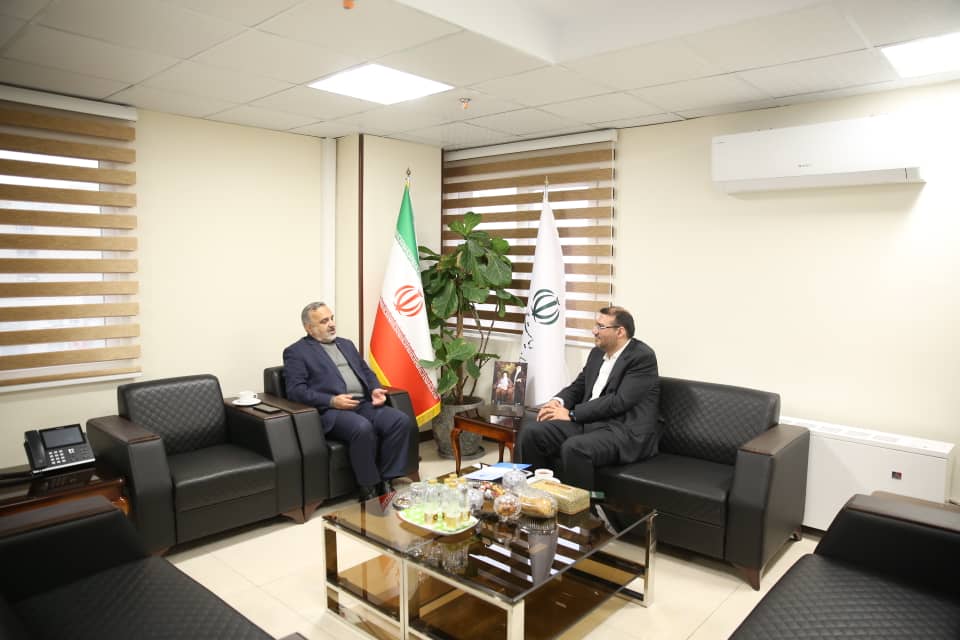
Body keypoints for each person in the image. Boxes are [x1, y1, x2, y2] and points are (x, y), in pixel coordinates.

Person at [516, 306, 659, 491]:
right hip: (590, 422)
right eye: (595, 325)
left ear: (620, 332)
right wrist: (558, 401)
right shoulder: (597, 353)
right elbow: (580, 385)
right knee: (531, 433)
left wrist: (572, 414)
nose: (594, 331)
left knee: (574, 448)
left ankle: (580, 508)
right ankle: (536, 496)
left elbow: (619, 401)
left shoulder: (642, 357)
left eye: (600, 326)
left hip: (622, 430)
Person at [283, 301, 412, 502]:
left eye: (331, 318)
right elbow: (295, 391)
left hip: (363, 404)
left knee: (400, 421)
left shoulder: (346, 344)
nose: (331, 324)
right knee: (362, 428)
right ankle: (368, 487)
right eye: (324, 321)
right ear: (309, 328)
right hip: (331, 411)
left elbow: (366, 371)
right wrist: (332, 401)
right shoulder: (296, 352)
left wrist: (374, 389)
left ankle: (386, 479)